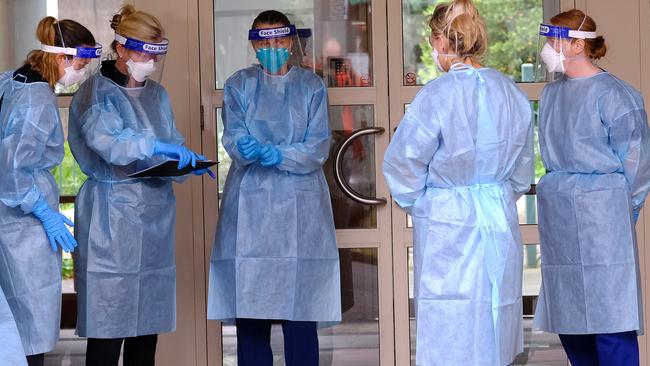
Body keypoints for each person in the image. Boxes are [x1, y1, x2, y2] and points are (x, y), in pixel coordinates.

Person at [383, 0, 534, 364]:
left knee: (449, 323)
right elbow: (521, 172)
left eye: (433, 41)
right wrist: (494, 194)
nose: (433, 49)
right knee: (495, 315)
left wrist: (426, 203)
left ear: (441, 40)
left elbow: (403, 163)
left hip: (446, 222)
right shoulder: (511, 93)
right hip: (496, 215)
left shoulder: (436, 96)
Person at [68, 5, 211, 366]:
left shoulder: (157, 95)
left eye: (157, 52)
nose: (150, 60)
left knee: (147, 324)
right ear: (121, 48)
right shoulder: (94, 94)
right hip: (110, 216)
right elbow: (111, 144)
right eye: (144, 51)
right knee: (108, 323)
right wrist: (153, 146)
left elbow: (170, 140)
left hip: (154, 217)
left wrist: (182, 163)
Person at [207, 10, 341, 366]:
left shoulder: (311, 87)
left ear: (290, 41)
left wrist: (274, 152)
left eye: (279, 40)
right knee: (252, 315)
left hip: (301, 213)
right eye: (264, 41)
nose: (272, 47)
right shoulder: (239, 85)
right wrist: (245, 148)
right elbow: (234, 138)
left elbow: (316, 148)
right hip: (250, 213)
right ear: (253, 44)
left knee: (300, 315)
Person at [534, 9, 650, 366]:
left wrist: (625, 211)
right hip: (560, 216)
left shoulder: (616, 96)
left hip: (603, 217)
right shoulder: (551, 95)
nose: (548, 49)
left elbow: (637, 163)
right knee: (570, 315)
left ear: (576, 45)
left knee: (610, 315)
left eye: (554, 41)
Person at [0, 16, 98, 366]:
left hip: (10, 221)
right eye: (81, 64)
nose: (82, 72)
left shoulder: (11, 81)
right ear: (62, 58)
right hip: (22, 226)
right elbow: (12, 171)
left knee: (11, 325)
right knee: (29, 324)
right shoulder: (37, 98)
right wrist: (43, 211)